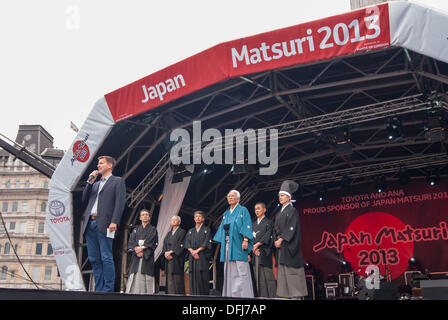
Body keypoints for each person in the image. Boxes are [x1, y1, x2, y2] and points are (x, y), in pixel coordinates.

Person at [81, 155, 126, 292]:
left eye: (101, 163)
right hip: (90, 223)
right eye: (98, 164)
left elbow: (120, 203)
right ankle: (98, 289)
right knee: (94, 259)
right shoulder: (95, 184)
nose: (98, 166)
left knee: (106, 257)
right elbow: (84, 199)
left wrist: (114, 221)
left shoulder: (117, 181)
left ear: (109, 165)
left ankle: (108, 290)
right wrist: (90, 181)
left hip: (106, 224)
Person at [213, 190, 254, 298]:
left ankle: (245, 295)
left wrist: (245, 239)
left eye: (232, 196)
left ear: (238, 198)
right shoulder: (226, 214)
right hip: (227, 243)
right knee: (229, 270)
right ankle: (231, 295)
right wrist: (222, 244)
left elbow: (247, 224)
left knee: (241, 268)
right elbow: (222, 229)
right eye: (229, 196)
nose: (230, 198)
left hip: (239, 243)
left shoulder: (243, 210)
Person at [274, 180, 308, 299]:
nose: (280, 198)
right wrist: (275, 239)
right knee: (283, 276)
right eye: (279, 196)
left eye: (282, 195)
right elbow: (276, 229)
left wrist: (282, 239)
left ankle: (296, 297)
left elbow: (291, 228)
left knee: (292, 275)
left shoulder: (292, 211)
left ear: (289, 197)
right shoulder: (279, 213)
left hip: (289, 247)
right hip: (281, 248)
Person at [125, 209, 158, 294]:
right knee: (135, 275)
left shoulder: (152, 229)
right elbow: (131, 241)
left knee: (146, 276)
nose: (145, 216)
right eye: (143, 215)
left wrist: (142, 249)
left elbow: (152, 240)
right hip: (136, 256)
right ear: (140, 217)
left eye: (147, 214)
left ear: (149, 217)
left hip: (147, 256)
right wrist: (136, 250)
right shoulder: (136, 229)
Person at [251, 202, 276, 298]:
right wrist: (253, 248)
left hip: (264, 252)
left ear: (264, 210)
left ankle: (272, 297)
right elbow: (249, 238)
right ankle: (261, 296)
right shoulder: (253, 224)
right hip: (255, 252)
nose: (257, 211)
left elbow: (268, 235)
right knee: (257, 277)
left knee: (267, 276)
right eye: (255, 209)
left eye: (258, 208)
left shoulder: (269, 222)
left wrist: (257, 244)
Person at [184, 210, 212, 295]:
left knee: (202, 276)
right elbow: (187, 242)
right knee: (193, 276)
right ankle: (193, 295)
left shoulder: (207, 230)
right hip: (192, 256)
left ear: (203, 219)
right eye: (196, 216)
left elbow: (206, 242)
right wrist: (192, 251)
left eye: (200, 216)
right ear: (194, 218)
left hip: (202, 255)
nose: (198, 218)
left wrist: (197, 251)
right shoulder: (190, 231)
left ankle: (203, 296)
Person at [162, 215, 186, 294]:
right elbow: (164, 244)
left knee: (177, 281)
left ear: (179, 222)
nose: (173, 221)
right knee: (169, 281)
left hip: (176, 259)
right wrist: (165, 252)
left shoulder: (182, 232)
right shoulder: (168, 233)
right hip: (168, 259)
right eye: (172, 220)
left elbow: (181, 244)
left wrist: (171, 252)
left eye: (175, 220)